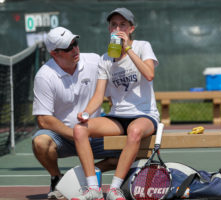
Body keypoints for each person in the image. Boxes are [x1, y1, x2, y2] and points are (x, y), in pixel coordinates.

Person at [71, 7, 160, 200]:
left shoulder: (142, 46)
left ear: (131, 29)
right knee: (79, 129)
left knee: (134, 131)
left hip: (144, 114)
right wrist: (85, 113)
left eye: (122, 24)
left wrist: (128, 49)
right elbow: (99, 95)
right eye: (114, 25)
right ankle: (93, 189)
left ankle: (114, 189)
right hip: (118, 116)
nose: (118, 28)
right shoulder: (105, 59)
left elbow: (149, 74)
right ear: (109, 29)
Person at [32, 27, 119, 199]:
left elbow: (112, 95)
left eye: (75, 43)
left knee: (130, 149)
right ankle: (57, 178)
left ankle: (77, 176)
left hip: (95, 134)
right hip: (64, 137)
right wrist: (76, 135)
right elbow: (43, 119)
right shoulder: (44, 76)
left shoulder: (94, 61)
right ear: (54, 53)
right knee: (40, 142)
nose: (75, 49)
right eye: (68, 48)